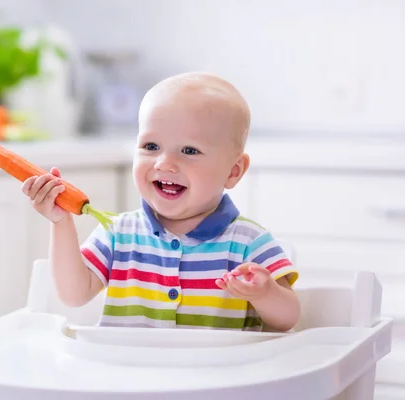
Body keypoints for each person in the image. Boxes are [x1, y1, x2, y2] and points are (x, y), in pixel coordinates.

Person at [21, 71, 300, 332]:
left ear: (233, 171)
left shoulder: (249, 241)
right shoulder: (118, 233)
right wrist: (60, 222)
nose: (164, 163)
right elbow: (73, 295)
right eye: (151, 146)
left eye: (189, 150)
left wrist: (265, 293)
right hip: (129, 378)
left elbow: (288, 319)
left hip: (216, 380)